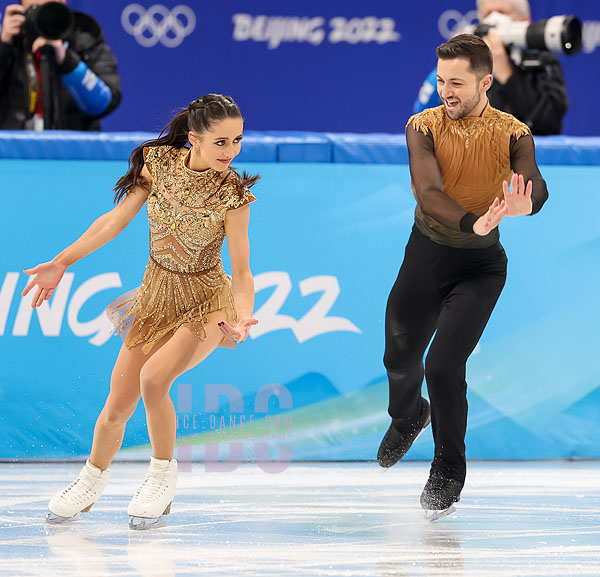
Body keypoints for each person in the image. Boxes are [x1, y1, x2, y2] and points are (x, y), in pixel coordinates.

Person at [22, 93, 258, 529]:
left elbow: (242, 271)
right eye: (221, 142)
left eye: (237, 141)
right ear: (194, 138)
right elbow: (113, 221)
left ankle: (161, 476)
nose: (231, 151)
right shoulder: (159, 164)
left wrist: (243, 316)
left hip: (208, 303)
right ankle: (92, 479)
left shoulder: (234, 195)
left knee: (154, 379)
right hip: (154, 296)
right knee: (117, 405)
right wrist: (61, 262)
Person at [379, 34, 548, 519]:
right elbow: (428, 191)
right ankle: (407, 415)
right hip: (426, 255)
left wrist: (526, 202)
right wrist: (472, 221)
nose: (445, 91)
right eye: (440, 81)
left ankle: (449, 468)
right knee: (398, 356)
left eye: (456, 83)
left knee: (443, 365)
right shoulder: (422, 127)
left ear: (485, 82)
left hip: (481, 269)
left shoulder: (515, 132)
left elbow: (535, 181)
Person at [414, 0, 569, 135]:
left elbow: (549, 124)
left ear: (525, 19)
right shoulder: (469, 64)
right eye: (488, 13)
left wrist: (506, 75)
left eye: (502, 12)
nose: (494, 19)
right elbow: (426, 114)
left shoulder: (543, 62)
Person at [0, 0, 121, 130]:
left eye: (48, 11)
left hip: (71, 146)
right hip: (13, 147)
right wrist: (4, 46)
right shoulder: (11, 41)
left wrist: (68, 62)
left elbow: (103, 103)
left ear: (63, 2)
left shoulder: (85, 38)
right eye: (35, 10)